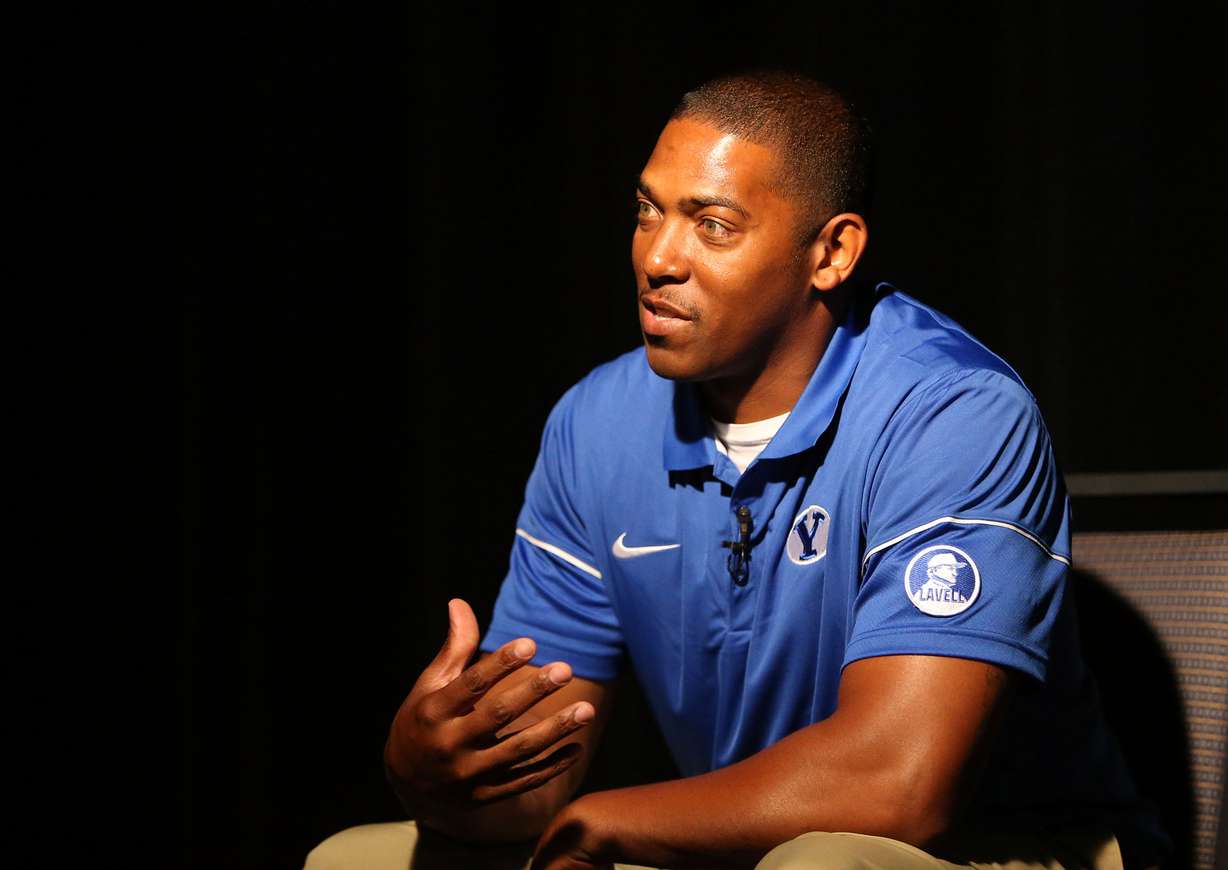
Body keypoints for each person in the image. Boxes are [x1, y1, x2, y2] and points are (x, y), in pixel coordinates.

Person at [307, 71, 1167, 870]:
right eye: (648, 211)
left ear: (831, 253)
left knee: (821, 864)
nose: (657, 257)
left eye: (711, 225)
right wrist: (439, 772)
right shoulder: (595, 423)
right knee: (358, 857)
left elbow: (900, 788)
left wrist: (604, 821)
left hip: (1002, 849)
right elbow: (538, 790)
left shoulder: (954, 413)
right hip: (745, 848)